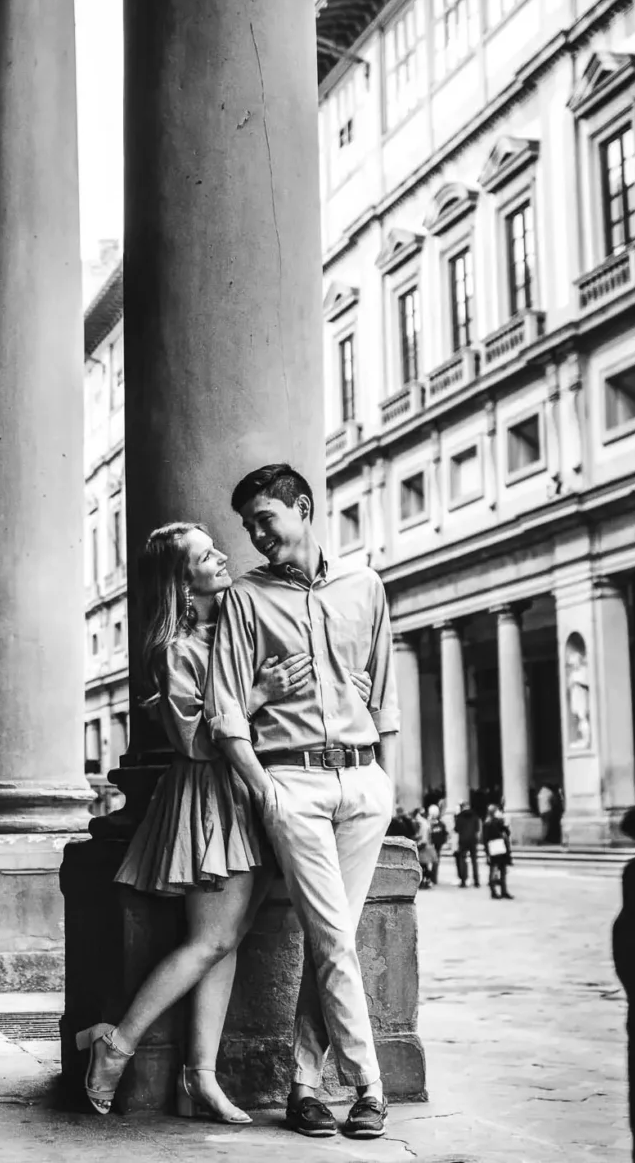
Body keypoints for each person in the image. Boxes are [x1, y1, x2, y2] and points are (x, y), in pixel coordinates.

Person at [76, 522, 310, 1123]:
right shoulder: (177, 650)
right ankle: (117, 1044)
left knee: (225, 942)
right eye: (207, 556)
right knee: (209, 940)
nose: (224, 556)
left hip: (250, 795)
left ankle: (200, 1079)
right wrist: (256, 696)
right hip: (210, 797)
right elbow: (193, 740)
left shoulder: (236, 630)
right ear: (184, 584)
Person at [205, 464, 400, 1141]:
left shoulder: (364, 586)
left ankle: (305, 1087)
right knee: (333, 939)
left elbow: (384, 696)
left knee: (333, 941)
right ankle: (370, 1087)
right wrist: (265, 790)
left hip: (363, 784)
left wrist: (387, 783)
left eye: (265, 518)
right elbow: (223, 713)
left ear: (304, 508)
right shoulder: (245, 599)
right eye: (249, 525)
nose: (257, 535)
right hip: (293, 785)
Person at [483, 806, 513, 899]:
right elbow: (507, 832)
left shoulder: (487, 823)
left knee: (495, 869)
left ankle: (495, 891)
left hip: (494, 848)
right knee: (501, 870)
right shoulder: (497, 822)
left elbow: (485, 839)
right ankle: (502, 891)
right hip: (499, 847)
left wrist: (487, 851)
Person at [452, 802, 482, 888]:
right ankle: (476, 881)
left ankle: (463, 881)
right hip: (472, 840)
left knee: (463, 860)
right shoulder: (475, 816)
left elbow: (456, 829)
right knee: (474, 861)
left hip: (463, 840)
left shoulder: (459, 817)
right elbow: (477, 828)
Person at [414, 806, 438, 889]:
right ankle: (427, 880)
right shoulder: (424, 822)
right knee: (424, 865)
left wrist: (420, 843)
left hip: (423, 845)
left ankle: (425, 881)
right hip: (426, 845)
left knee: (423, 865)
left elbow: (423, 836)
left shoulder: (422, 822)